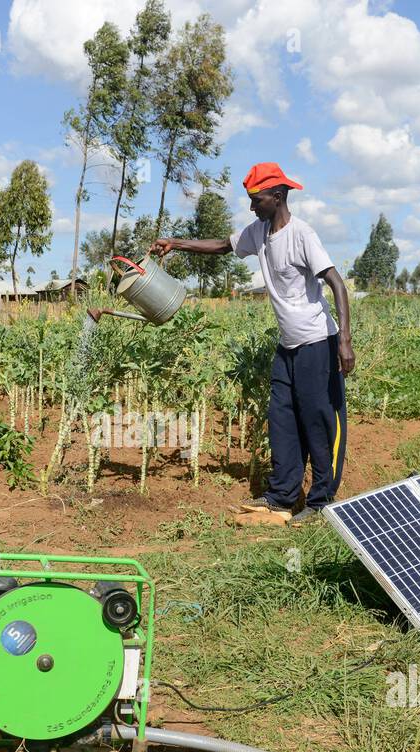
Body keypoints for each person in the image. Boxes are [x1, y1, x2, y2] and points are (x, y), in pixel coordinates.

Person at [151, 161, 354, 526]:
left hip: (317, 345)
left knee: (320, 423)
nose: (251, 207)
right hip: (287, 348)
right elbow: (221, 246)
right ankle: (281, 497)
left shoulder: (303, 235)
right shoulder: (258, 232)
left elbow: (337, 284)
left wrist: (345, 342)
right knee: (282, 421)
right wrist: (176, 243)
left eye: (256, 200)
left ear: (277, 197)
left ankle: (322, 502)